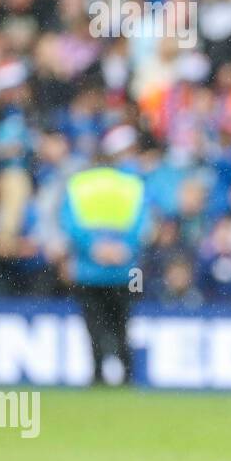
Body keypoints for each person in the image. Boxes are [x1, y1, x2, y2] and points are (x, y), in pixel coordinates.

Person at [60, 125, 150, 385]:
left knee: (94, 326)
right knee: (122, 325)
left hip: (89, 268)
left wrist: (94, 247)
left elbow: (70, 223)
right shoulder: (133, 184)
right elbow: (142, 223)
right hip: (123, 268)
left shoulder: (79, 184)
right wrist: (123, 248)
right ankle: (127, 375)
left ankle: (98, 373)